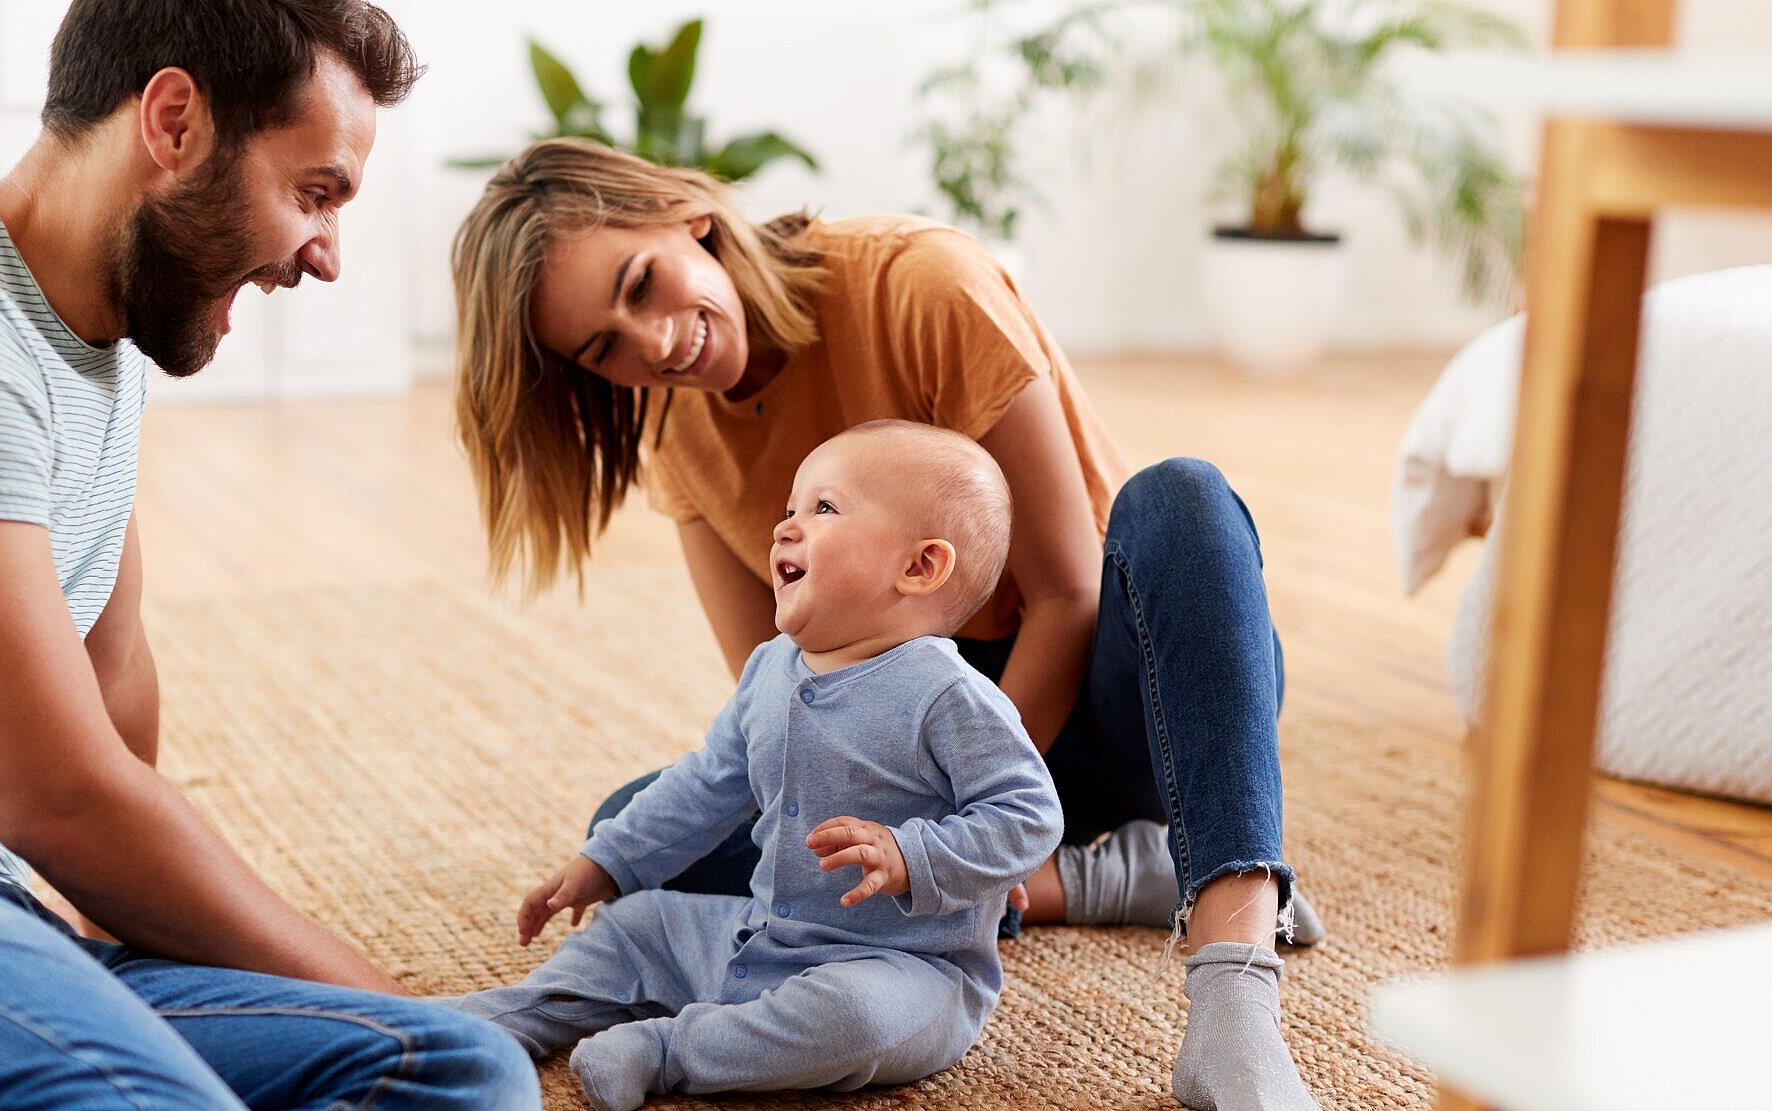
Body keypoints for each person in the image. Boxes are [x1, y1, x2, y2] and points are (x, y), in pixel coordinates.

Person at [453, 136, 1325, 1110]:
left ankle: (1231, 990)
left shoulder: (918, 283)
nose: (653, 342)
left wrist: (944, 825)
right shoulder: (679, 432)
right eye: (605, 347)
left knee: (1183, 498)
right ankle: (1073, 879)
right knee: (630, 831)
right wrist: (915, 845)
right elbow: (781, 693)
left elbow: (1069, 595)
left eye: (641, 284)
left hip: (1114, 695)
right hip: (917, 787)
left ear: (685, 216)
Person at [0, 3, 536, 1108]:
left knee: (454, 1068)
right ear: (172, 121)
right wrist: (378, 984)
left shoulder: (91, 337)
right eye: (314, 192)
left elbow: (112, 679)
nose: (326, 255)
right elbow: (58, 797)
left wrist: (125, 944)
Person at [450, 420, 1063, 1110]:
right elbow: (707, 782)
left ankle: (671, 1049)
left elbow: (1029, 815)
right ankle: (517, 1014)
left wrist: (910, 851)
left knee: (855, 1021)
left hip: (905, 966)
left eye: (823, 509)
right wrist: (608, 859)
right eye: (789, 509)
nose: (786, 529)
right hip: (761, 930)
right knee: (638, 922)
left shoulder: (947, 695)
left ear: (919, 567)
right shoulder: (771, 668)